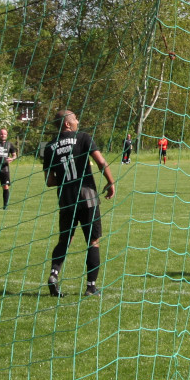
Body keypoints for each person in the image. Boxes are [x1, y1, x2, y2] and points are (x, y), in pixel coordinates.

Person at [41, 110, 117, 297]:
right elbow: (100, 162)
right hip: (88, 197)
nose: (77, 121)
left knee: (64, 240)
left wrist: (66, 179)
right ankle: (91, 287)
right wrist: (111, 182)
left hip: (66, 199)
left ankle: (53, 275)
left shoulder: (50, 147)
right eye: (74, 118)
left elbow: (49, 181)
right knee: (93, 241)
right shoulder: (82, 137)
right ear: (67, 124)